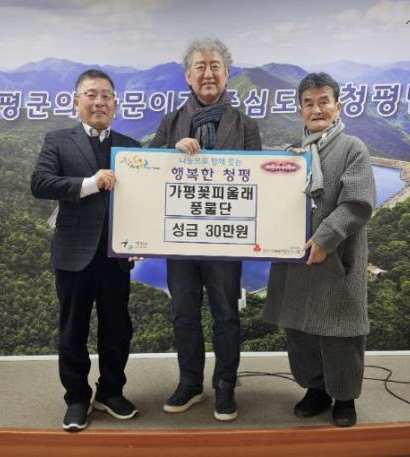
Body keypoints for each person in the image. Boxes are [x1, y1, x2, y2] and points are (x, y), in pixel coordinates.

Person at [149, 38, 261, 421]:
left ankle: (225, 385)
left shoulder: (245, 124)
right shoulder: (171, 122)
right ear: (188, 76)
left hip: (225, 239)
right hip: (180, 239)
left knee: (226, 314)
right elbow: (146, 168)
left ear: (227, 74)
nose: (208, 73)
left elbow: (258, 180)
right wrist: (170, 154)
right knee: (184, 313)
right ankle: (190, 383)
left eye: (215, 66)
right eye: (201, 66)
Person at [264, 72, 376, 427]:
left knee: (340, 331)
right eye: (308, 103)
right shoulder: (292, 153)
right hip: (296, 259)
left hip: (337, 258)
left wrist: (325, 239)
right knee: (300, 330)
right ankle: (316, 390)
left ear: (337, 106)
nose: (317, 109)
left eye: (324, 101)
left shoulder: (353, 148)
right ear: (300, 110)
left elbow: (358, 203)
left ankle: (344, 397)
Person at [31, 69, 140, 431]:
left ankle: (111, 392)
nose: (99, 102)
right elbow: (40, 183)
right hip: (73, 252)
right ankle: (76, 398)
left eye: (106, 96)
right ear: (76, 102)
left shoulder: (131, 146)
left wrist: (141, 241)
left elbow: (142, 203)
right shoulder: (58, 141)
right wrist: (90, 184)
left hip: (116, 255)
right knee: (72, 330)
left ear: (115, 104)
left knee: (117, 329)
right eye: (91, 95)